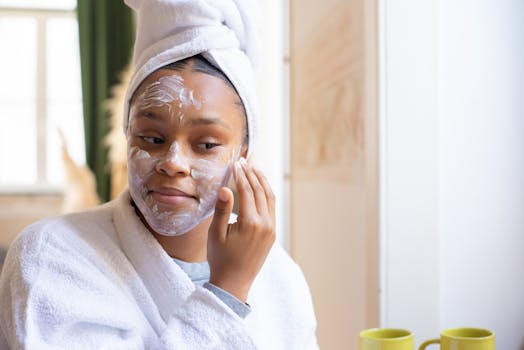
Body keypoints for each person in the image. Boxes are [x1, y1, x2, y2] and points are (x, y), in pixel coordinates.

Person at [0, 0, 318, 349]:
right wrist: (227, 292)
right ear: (127, 135)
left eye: (207, 144)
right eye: (152, 138)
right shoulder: (50, 256)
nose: (173, 162)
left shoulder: (281, 278)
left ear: (244, 154)